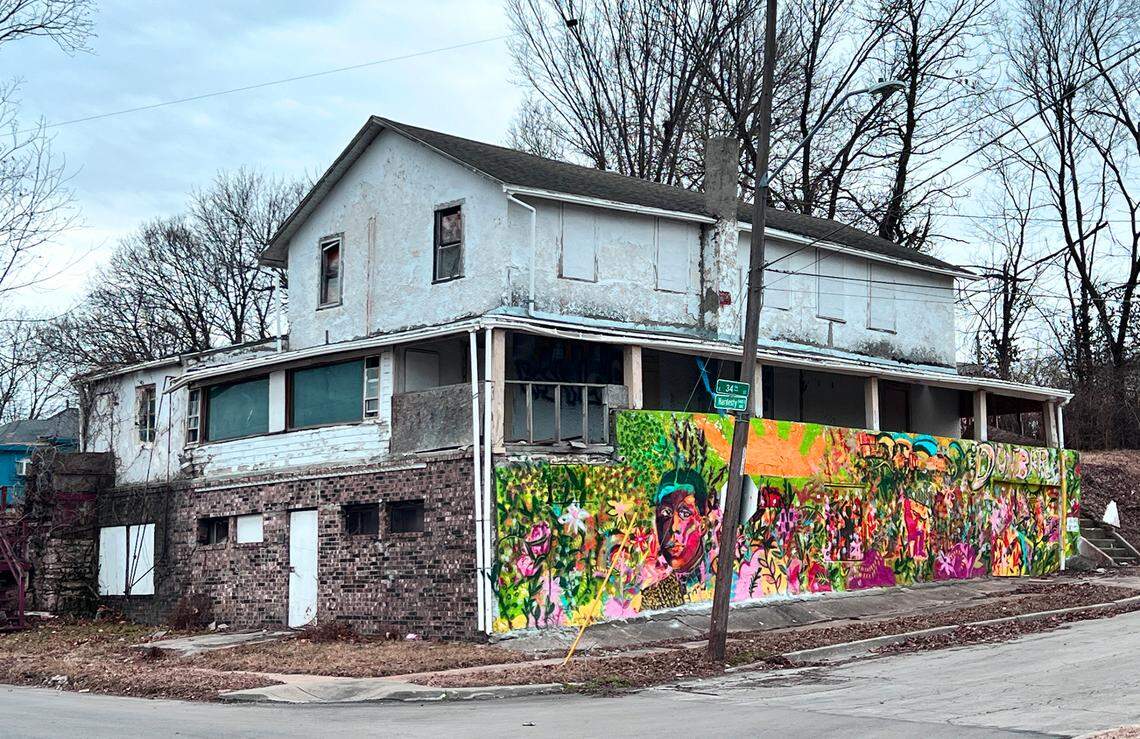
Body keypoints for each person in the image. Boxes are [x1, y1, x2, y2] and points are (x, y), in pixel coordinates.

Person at [640, 468, 715, 610]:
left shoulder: (716, 580)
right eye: (666, 512)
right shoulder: (652, 592)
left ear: (702, 525)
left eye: (685, 513)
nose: (673, 527)